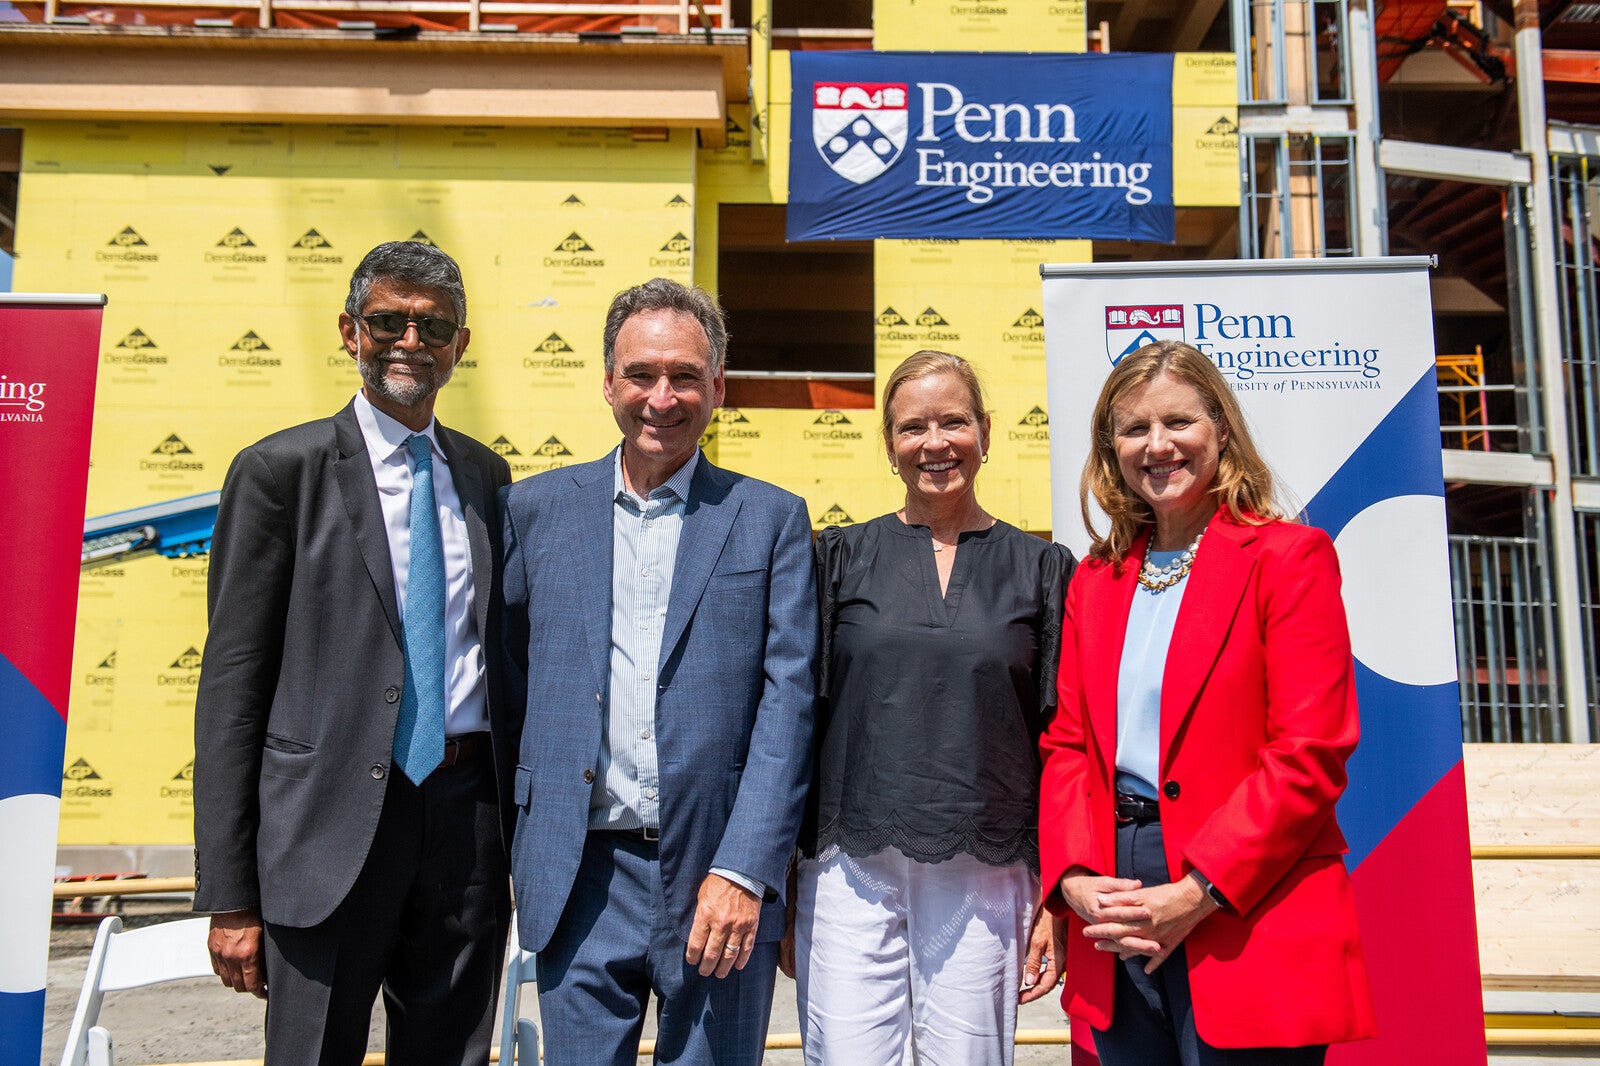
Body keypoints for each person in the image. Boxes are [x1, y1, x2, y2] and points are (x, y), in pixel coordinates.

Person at [193, 241, 515, 1065]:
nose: (411, 340)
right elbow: (233, 686)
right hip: (324, 830)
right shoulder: (279, 472)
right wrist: (230, 897)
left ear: (460, 345)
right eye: (388, 320)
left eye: (432, 325)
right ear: (350, 331)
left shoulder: (486, 475)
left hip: (464, 824)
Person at [500, 277, 818, 1065]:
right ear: (608, 382)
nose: (662, 397)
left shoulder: (770, 518)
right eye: (641, 374)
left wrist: (746, 870)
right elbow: (512, 683)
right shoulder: (534, 511)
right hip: (579, 876)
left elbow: (790, 706)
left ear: (718, 387)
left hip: (717, 878)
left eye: (685, 376)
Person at [1038, 340, 1377, 1065]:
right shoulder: (1095, 581)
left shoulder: (1289, 559)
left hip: (1245, 897)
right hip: (1114, 892)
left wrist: (1197, 892)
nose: (1158, 445)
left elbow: (1309, 752)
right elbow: (1067, 744)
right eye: (1133, 429)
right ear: (1111, 450)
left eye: (1178, 423)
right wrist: (1072, 879)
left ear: (1220, 430)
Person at [788, 350, 1074, 1066]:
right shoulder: (837, 557)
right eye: (913, 427)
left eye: (953, 422)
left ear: (986, 431)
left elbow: (1063, 738)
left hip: (989, 863)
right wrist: (780, 878)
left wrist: (1055, 891)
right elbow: (794, 719)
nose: (935, 442)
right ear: (889, 444)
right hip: (846, 863)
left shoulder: (1043, 569)